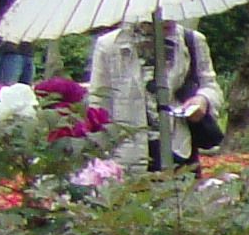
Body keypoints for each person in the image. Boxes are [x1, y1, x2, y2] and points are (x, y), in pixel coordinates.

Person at [93, 14, 224, 170]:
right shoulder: (109, 45)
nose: (168, 21)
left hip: (179, 146)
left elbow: (210, 85)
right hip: (128, 153)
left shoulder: (191, 40)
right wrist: (101, 151)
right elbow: (99, 100)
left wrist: (203, 99)